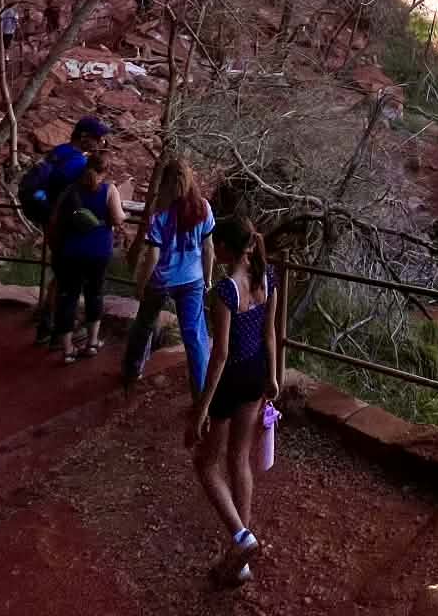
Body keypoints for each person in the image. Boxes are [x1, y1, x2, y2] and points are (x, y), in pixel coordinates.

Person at [192, 217, 281, 584]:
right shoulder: (267, 278)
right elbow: (270, 333)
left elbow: (220, 354)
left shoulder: (225, 291)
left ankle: (242, 537)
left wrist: (201, 408)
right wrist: (273, 376)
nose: (213, 250)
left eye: (216, 244)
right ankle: (240, 557)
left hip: (232, 379)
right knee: (239, 458)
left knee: (205, 463)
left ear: (227, 248)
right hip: (257, 373)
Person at [122, 160, 215, 394]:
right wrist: (208, 278)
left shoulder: (160, 213)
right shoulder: (203, 207)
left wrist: (141, 284)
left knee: (144, 324)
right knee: (194, 335)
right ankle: (201, 390)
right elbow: (208, 248)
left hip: (161, 280)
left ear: (165, 183)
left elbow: (153, 255)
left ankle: (132, 371)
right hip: (192, 280)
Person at [18, 116, 109, 345]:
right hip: (62, 225)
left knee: (61, 275)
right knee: (68, 280)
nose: (102, 142)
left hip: (50, 218)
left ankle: (47, 325)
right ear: (84, 136)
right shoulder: (77, 163)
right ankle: (58, 331)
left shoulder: (60, 151)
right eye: (98, 137)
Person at [48, 151, 126, 364]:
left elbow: (55, 219)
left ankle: (67, 350)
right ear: (106, 170)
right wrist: (123, 215)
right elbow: (118, 218)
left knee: (68, 297)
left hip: (71, 251)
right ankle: (92, 343)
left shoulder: (70, 190)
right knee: (95, 294)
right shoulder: (109, 190)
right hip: (98, 251)